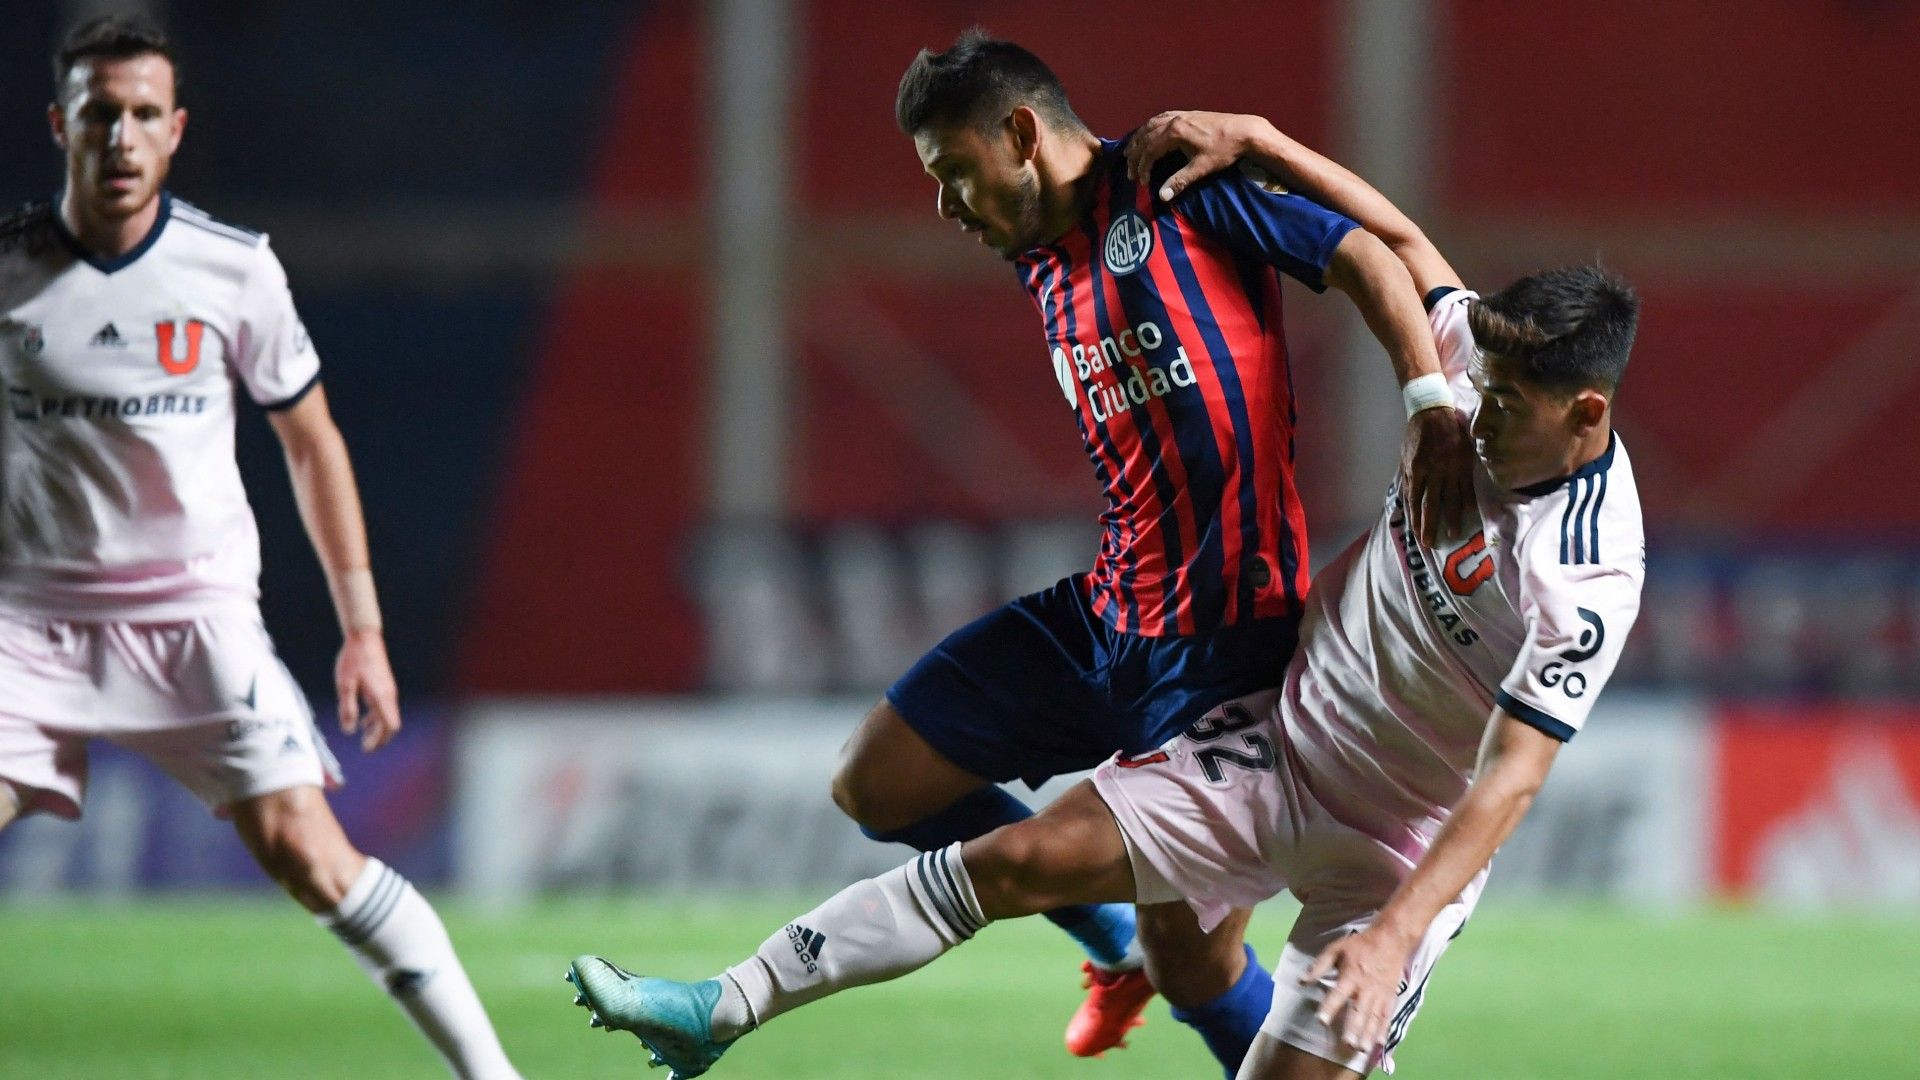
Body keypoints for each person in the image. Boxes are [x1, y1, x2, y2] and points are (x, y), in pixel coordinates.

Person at [562, 110, 1644, 1080]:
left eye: (1506, 406)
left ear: (1586, 417)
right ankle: (724, 1006)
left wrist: (1395, 935)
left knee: (1225, 1001)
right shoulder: (1468, 378)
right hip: (1271, 746)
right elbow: (1403, 253)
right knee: (1020, 861)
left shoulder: (1582, 576)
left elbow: (1507, 786)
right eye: (1480, 389)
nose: (1476, 414)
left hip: (1394, 850)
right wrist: (1264, 143)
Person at [820, 31, 1474, 1070]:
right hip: (1108, 615)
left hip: (1229, 642)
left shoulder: (1174, 186)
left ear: (1023, 134)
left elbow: (1363, 256)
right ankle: (1106, 932)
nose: (946, 205)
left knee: (1196, 966)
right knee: (877, 783)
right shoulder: (1036, 255)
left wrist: (1429, 395)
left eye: (954, 173)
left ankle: (1193, 984)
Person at [0, 17, 520, 1079]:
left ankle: (494, 1078)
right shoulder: (7, 273)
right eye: (101, 114)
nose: (123, 138)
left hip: (192, 619)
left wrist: (363, 631)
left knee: (310, 855)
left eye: (145, 115)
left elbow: (312, 444)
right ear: (62, 125)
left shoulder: (232, 272)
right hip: (28, 624)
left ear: (177, 129)